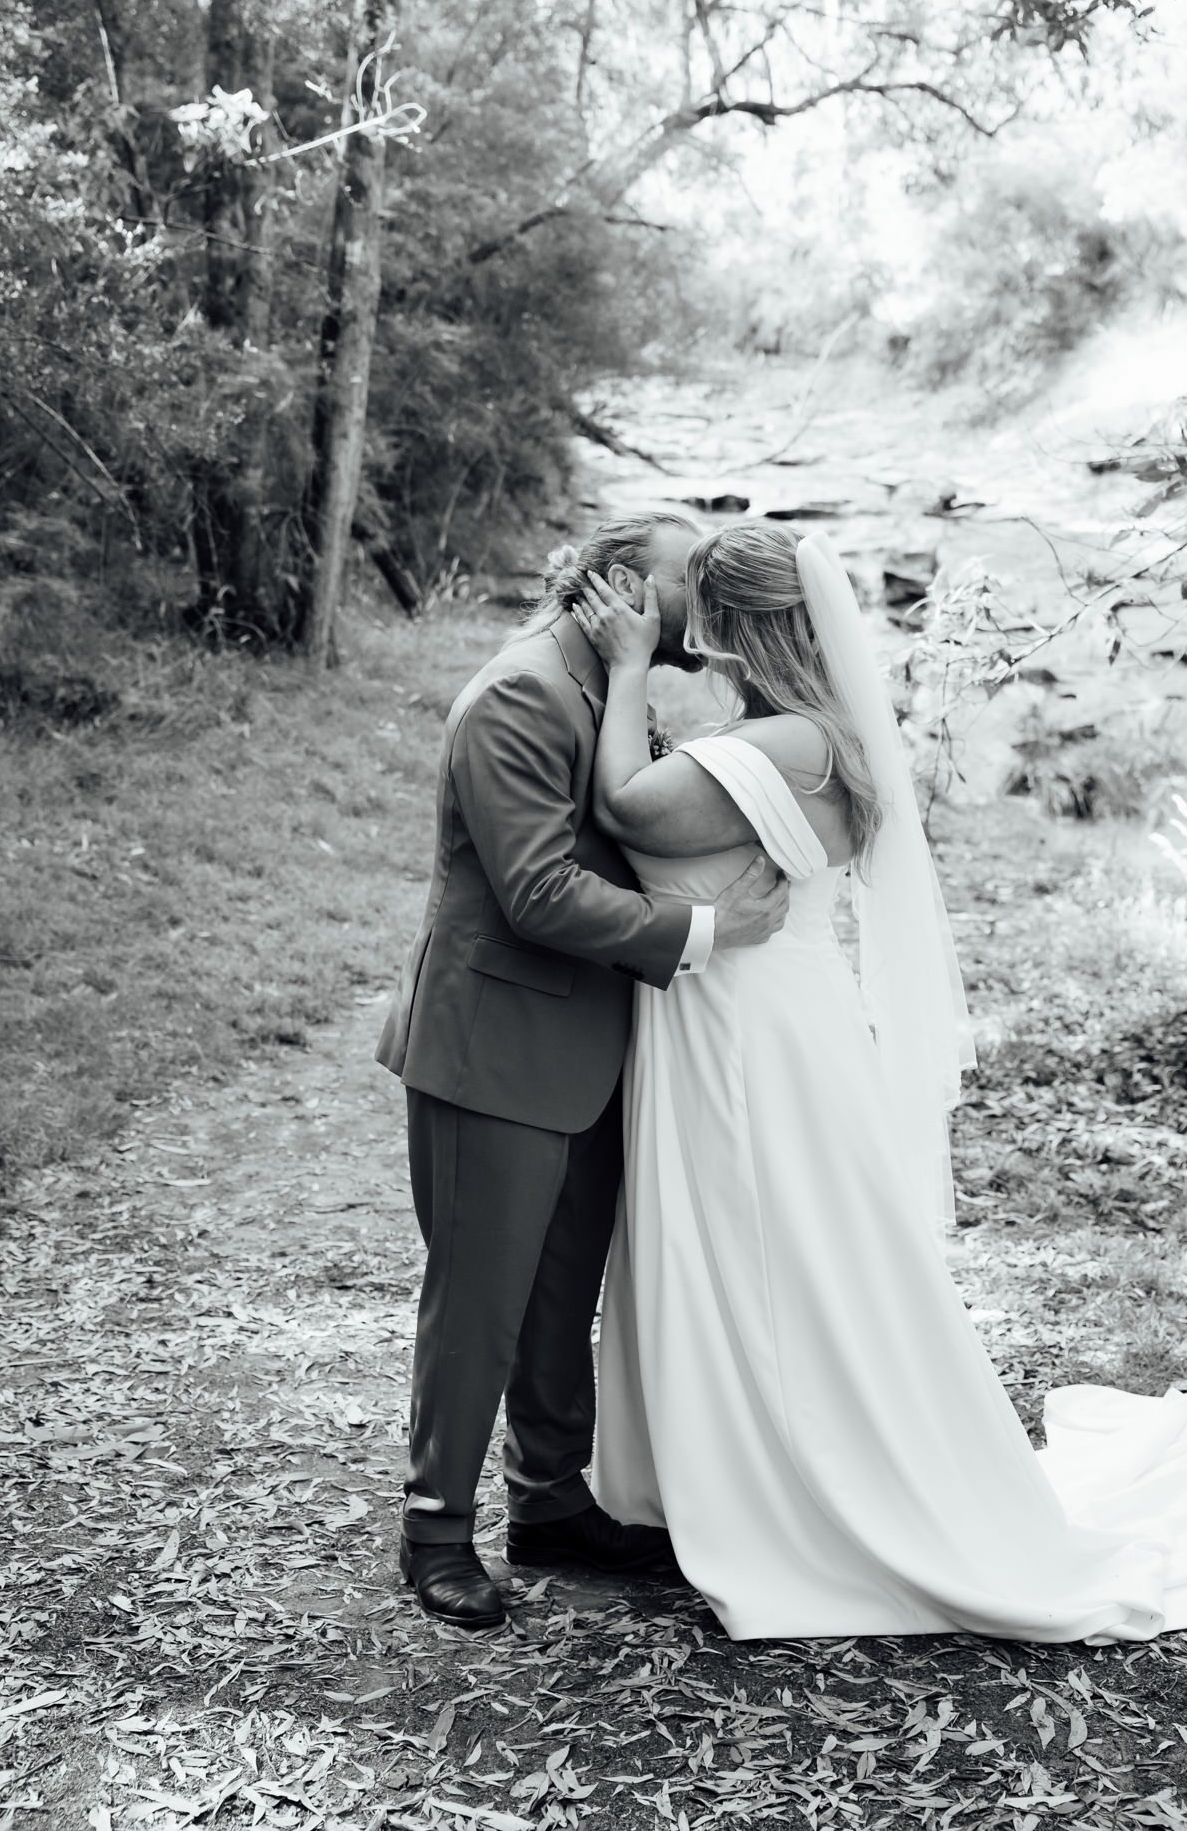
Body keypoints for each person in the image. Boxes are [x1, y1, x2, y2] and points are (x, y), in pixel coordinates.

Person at [571, 519, 1187, 1642]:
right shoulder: (815, 734)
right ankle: (744, 1464)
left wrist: (625, 669)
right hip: (768, 1012)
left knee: (772, 1247)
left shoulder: (782, 744)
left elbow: (624, 809)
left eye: (695, 596)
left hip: (746, 1031)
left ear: (736, 620)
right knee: (789, 1248)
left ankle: (789, 1485)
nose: (678, 615)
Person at [376, 511, 790, 1628]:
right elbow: (538, 891)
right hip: (494, 1049)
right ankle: (434, 1530)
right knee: (480, 1301)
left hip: (590, 1048)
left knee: (562, 1294)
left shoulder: (604, 684)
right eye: (684, 580)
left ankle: (551, 1502)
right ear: (616, 588)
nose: (703, 601)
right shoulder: (518, 695)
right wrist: (707, 930)